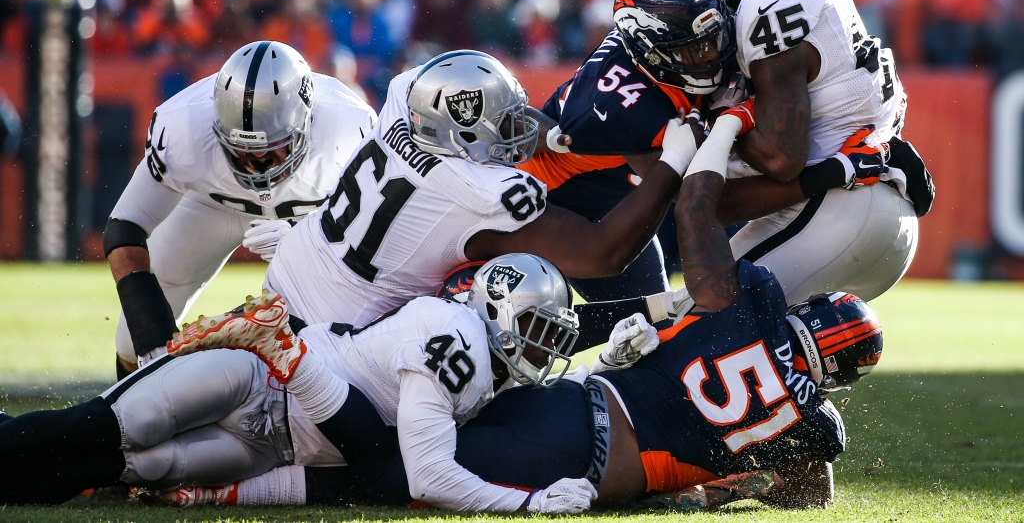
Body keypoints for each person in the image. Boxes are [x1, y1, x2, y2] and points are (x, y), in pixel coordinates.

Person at [165, 107, 881, 512]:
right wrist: (725, 481)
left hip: (573, 418)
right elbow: (808, 494)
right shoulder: (819, 425)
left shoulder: (751, 299)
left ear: (808, 315)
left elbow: (699, 212)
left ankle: (208, 473)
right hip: (611, 475)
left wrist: (719, 135)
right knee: (388, 460)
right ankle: (217, 478)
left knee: (393, 464)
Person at [0, 254, 594, 514]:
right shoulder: (457, 335)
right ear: (495, 311)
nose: (544, 349)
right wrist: (531, 502)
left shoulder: (482, 360)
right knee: (111, 425)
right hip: (261, 376)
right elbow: (430, 476)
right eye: (537, 330)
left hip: (274, 446)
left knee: (135, 467)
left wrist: (613, 352)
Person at [259, 49, 699, 349]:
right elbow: (603, 254)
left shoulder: (404, 97)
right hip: (336, 349)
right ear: (465, 138)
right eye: (505, 122)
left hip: (280, 288)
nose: (519, 129)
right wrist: (673, 162)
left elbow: (471, 107)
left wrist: (559, 141)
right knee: (514, 291)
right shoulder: (480, 193)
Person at [683, 0, 933, 303]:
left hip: (839, 207)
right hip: (869, 202)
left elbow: (783, 157)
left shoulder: (770, 1)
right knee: (775, 362)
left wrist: (724, 122)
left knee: (702, 321)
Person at [105, 40, 376, 378]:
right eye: (240, 151)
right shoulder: (183, 124)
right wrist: (150, 331)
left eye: (273, 148)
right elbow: (125, 227)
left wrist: (308, 242)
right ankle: (134, 423)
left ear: (307, 121)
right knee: (132, 343)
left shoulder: (351, 130)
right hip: (210, 203)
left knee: (337, 335)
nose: (257, 165)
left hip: (314, 215)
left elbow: (372, 239)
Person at [519, 0, 735, 303]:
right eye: (693, 48)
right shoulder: (629, 110)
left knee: (653, 327)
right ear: (651, 49)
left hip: (607, 193)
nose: (712, 55)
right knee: (639, 319)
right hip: (549, 203)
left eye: (712, 40)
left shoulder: (650, 54)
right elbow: (700, 200)